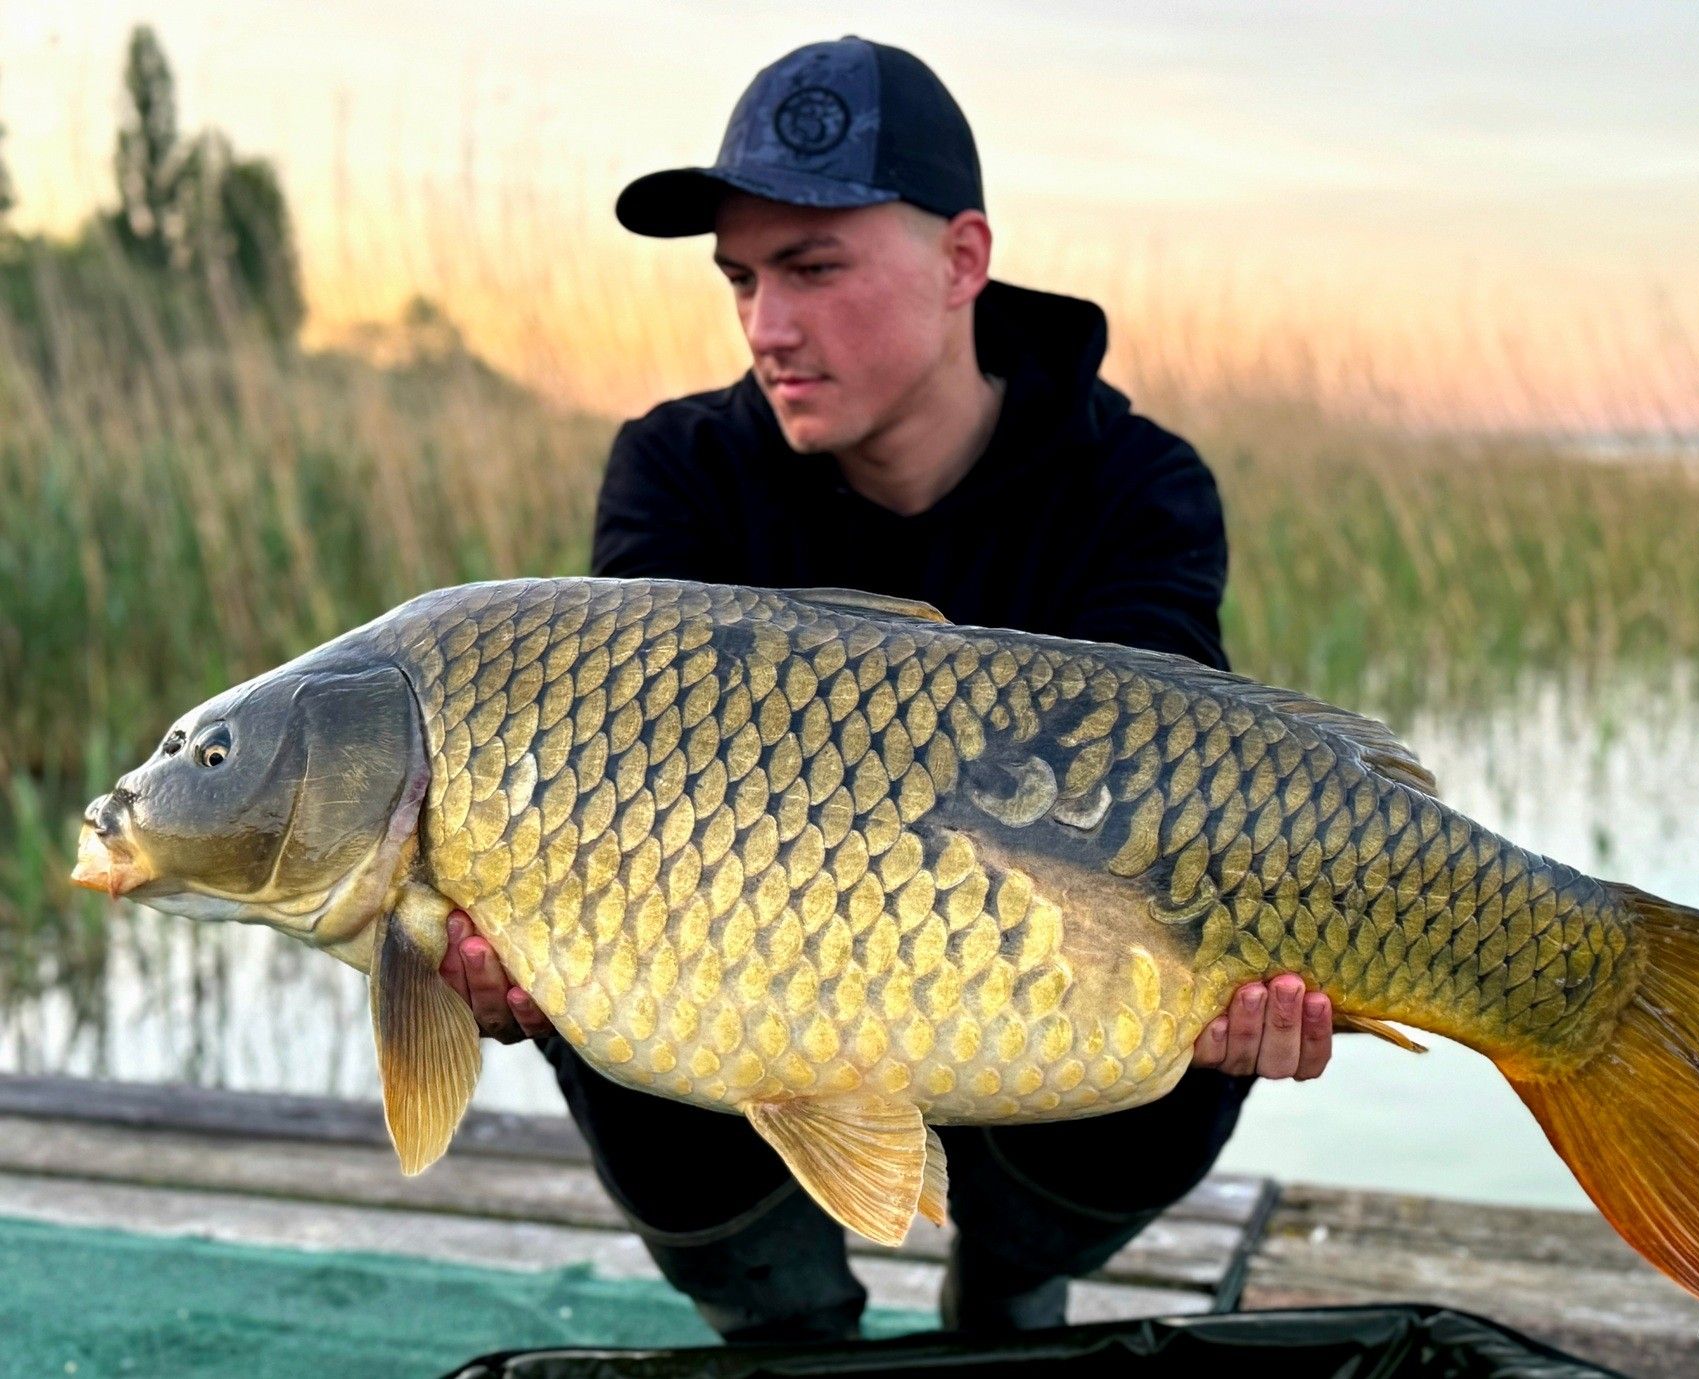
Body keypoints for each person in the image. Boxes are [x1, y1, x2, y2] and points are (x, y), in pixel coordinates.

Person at [437, 35, 1335, 1342]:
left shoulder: (1135, 486)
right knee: (603, 954)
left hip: (1049, 978)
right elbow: (616, 791)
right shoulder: (677, 471)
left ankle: (1016, 1286)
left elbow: (1178, 778)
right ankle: (783, 1321)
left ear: (962, 259)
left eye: (811, 268)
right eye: (741, 278)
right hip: (759, 950)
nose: (766, 326)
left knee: (1208, 970)